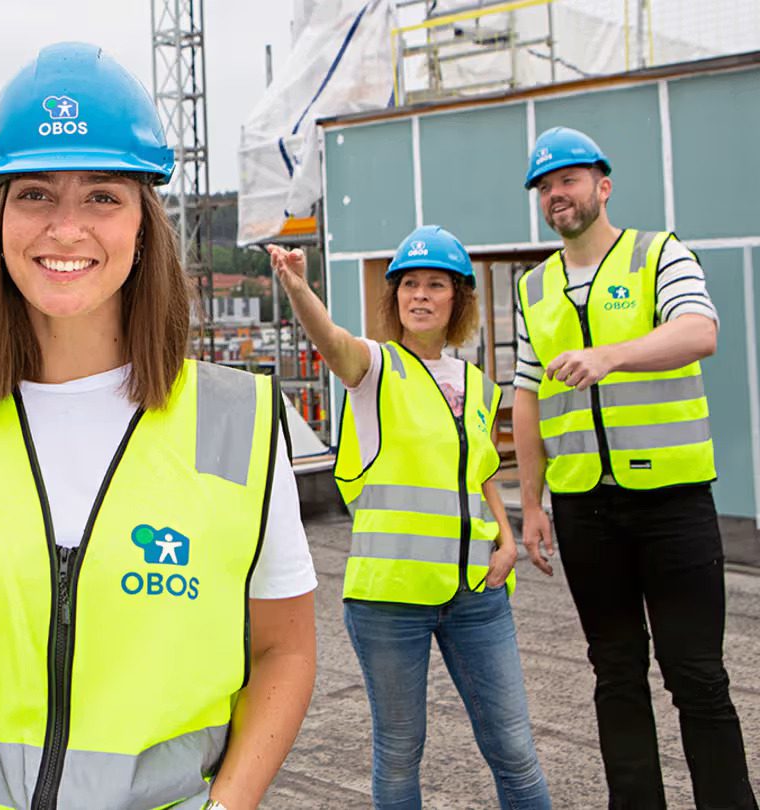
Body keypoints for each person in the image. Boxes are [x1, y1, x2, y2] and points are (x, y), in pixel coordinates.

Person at [0, 42, 318, 810]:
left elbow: (285, 652)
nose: (65, 228)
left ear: (143, 224)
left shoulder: (239, 424)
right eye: (35, 194)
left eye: (101, 196)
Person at [513, 126, 754, 809]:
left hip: (672, 503)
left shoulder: (659, 254)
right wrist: (531, 505)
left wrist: (610, 356)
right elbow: (526, 398)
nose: (556, 194)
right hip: (584, 509)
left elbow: (700, 331)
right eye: (544, 186)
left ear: (603, 186)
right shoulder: (535, 288)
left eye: (568, 179)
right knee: (615, 673)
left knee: (696, 675)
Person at [269, 226, 549, 809]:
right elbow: (332, 341)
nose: (420, 295)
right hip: (390, 599)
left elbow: (481, 470)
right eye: (409, 284)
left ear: (458, 299)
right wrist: (297, 287)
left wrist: (506, 538)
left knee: (515, 750)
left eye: (435, 285)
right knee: (400, 753)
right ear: (395, 297)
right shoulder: (374, 368)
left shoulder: (477, 384)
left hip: (477, 594)